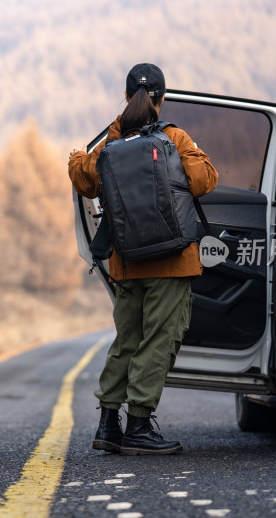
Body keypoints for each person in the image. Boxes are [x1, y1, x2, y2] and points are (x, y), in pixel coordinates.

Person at [68, 63, 218, 455]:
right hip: (172, 262)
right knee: (158, 341)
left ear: (126, 96)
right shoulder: (175, 136)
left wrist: (74, 158)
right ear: (162, 98)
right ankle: (138, 425)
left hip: (128, 262)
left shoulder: (111, 143)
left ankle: (108, 423)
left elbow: (84, 180)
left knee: (127, 340)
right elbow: (204, 181)